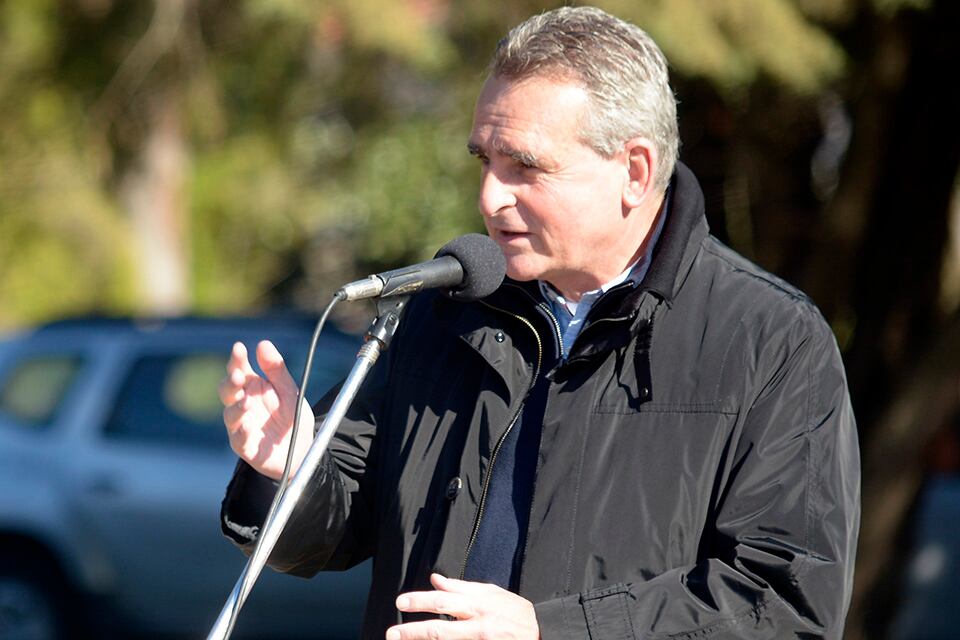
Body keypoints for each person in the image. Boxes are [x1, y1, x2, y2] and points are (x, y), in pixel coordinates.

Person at [219, 6, 860, 639]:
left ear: (633, 172)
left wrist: (552, 631)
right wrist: (290, 469)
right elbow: (330, 534)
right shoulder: (446, 310)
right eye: (484, 161)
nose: (490, 197)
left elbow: (784, 607)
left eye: (524, 166)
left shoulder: (772, 341)